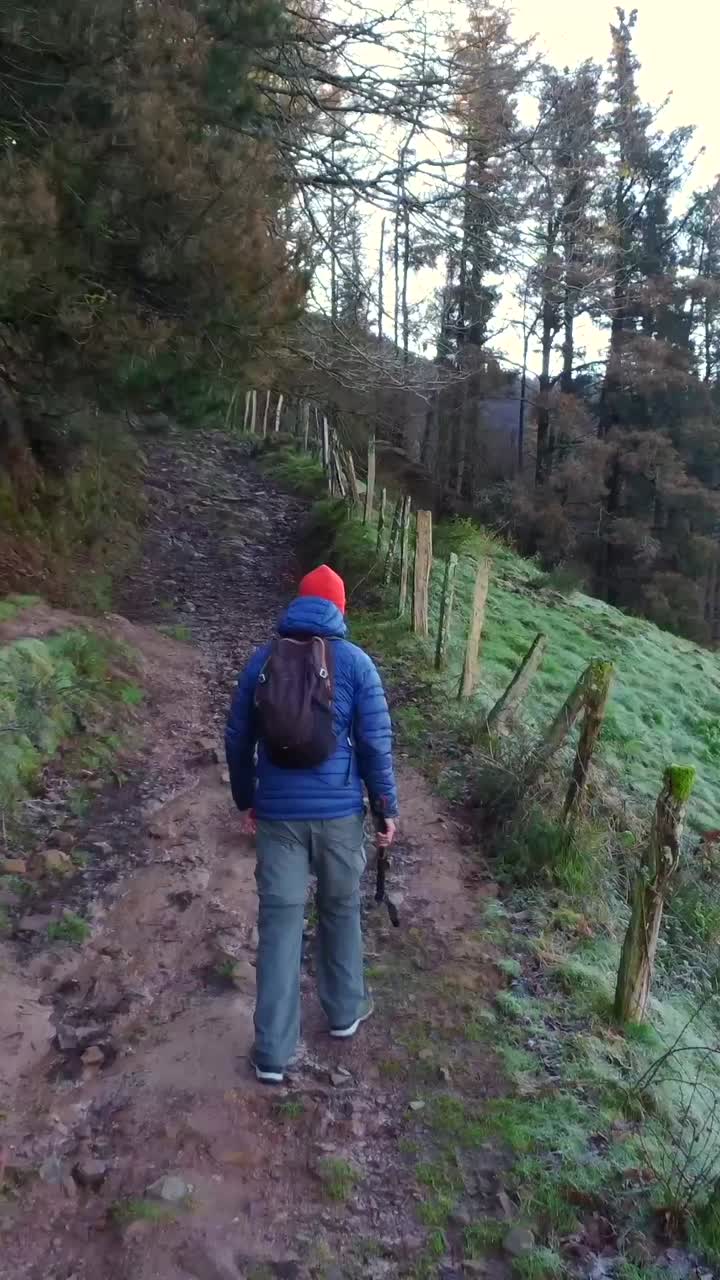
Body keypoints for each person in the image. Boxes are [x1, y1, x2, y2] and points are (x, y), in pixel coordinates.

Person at [225, 564, 398, 1084]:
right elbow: (374, 745)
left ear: (298, 604)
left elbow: (237, 738)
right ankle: (344, 1012)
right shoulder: (357, 664)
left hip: (278, 816)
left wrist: (246, 799)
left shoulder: (262, 662)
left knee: (279, 926)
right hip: (339, 816)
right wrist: (385, 806)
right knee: (340, 909)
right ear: (339, 610)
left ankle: (273, 1053)